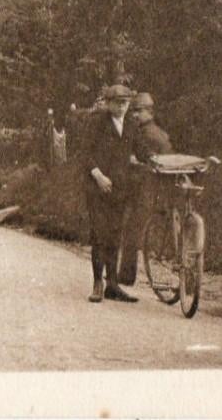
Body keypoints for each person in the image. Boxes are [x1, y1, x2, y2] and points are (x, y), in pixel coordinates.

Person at [83, 84, 139, 303]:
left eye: (125, 102)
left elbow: (141, 149)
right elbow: (85, 154)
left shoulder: (131, 125)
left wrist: (152, 159)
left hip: (119, 189)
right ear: (108, 103)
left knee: (115, 235)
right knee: (99, 234)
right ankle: (97, 283)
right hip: (97, 188)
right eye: (117, 102)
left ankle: (112, 285)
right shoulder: (97, 123)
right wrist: (98, 176)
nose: (122, 106)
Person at [119, 91, 174, 285]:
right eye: (133, 111)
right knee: (132, 229)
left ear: (149, 112)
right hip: (152, 189)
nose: (134, 115)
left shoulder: (149, 135)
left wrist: (133, 162)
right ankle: (125, 275)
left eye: (138, 111)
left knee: (132, 230)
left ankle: (126, 277)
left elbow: (153, 164)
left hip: (147, 190)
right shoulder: (158, 132)